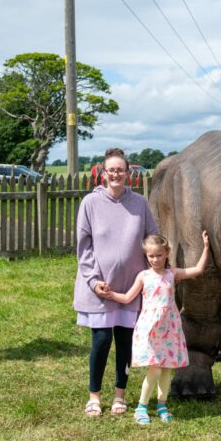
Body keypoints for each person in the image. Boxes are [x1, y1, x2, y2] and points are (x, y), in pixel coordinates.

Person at [74, 147, 159, 416]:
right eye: (111, 169)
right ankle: (94, 396)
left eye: (120, 169)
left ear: (128, 173)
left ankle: (120, 395)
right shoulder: (90, 203)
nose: (116, 174)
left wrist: (155, 274)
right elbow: (84, 246)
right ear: (103, 172)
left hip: (130, 288)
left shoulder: (140, 204)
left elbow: (151, 239)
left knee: (125, 343)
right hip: (100, 289)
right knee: (100, 341)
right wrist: (92, 280)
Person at [107, 230, 210, 425]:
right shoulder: (144, 276)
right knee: (154, 369)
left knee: (166, 369)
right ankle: (141, 406)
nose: (155, 259)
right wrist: (110, 294)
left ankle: (162, 404)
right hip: (151, 328)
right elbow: (128, 297)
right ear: (146, 256)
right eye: (151, 256)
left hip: (170, 327)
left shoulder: (172, 274)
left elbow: (197, 270)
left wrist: (206, 248)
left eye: (159, 255)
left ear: (167, 254)